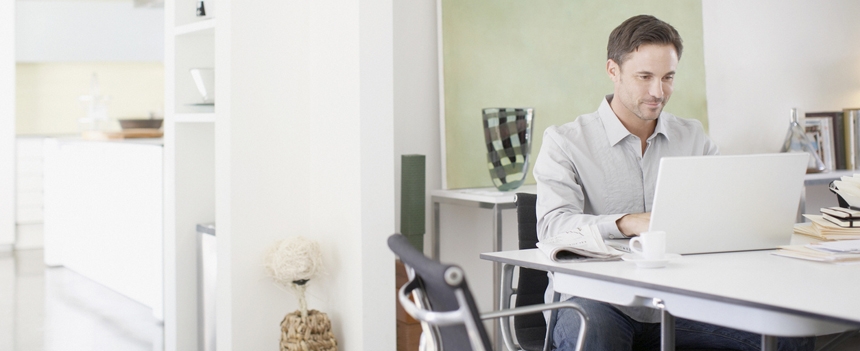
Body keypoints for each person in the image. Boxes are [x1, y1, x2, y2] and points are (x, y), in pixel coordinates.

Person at [533, 15, 813, 351]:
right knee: (596, 335)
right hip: (597, 302)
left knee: (785, 334)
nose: (658, 91)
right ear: (613, 71)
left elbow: (726, 211)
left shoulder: (693, 136)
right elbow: (553, 226)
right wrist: (626, 223)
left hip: (682, 302)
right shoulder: (564, 142)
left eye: (668, 77)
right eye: (644, 77)